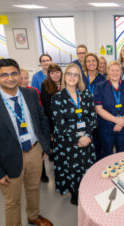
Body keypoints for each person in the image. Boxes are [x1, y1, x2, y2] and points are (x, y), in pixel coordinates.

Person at [0, 58, 52, 226]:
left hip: (34, 152)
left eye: (13, 73)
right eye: (4, 75)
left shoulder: (30, 94)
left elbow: (42, 119)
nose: (10, 78)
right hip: (8, 159)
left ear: (19, 75)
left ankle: (33, 216)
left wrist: (44, 145)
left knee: (33, 189)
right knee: (12, 201)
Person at [51, 63, 97, 205]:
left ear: (79, 78)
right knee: (72, 168)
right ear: (64, 77)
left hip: (86, 138)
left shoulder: (86, 94)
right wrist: (78, 138)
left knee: (86, 167)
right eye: (69, 74)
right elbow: (60, 124)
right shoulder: (57, 97)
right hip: (68, 141)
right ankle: (75, 192)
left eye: (75, 74)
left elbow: (92, 117)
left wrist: (87, 136)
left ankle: (87, 189)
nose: (72, 77)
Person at [94, 61, 124, 157]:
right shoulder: (100, 86)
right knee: (107, 153)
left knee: (121, 152)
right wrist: (117, 121)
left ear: (121, 71)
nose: (115, 73)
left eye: (117, 70)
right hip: (106, 126)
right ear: (108, 71)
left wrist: (123, 121)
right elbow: (99, 109)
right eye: (112, 70)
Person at [82, 53, 105, 158]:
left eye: (93, 60)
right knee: (85, 138)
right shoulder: (80, 76)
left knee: (98, 140)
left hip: (98, 113)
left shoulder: (102, 78)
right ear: (85, 63)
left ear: (97, 63)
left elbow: (105, 97)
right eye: (88, 61)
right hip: (83, 113)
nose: (91, 63)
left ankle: (98, 161)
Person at [40, 64, 62, 134]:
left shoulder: (66, 82)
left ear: (61, 72)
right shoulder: (45, 84)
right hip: (53, 118)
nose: (55, 75)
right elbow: (46, 106)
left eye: (57, 72)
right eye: (52, 73)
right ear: (49, 74)